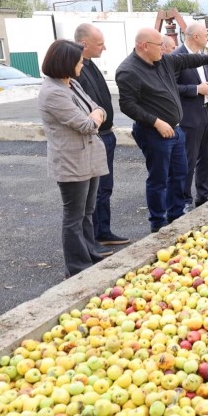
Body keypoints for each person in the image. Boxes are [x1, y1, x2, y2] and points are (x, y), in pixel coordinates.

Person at [115, 28, 208, 233]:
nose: (164, 48)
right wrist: (156, 122)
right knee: (159, 178)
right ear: (144, 46)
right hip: (154, 132)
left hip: (176, 130)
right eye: (159, 45)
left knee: (179, 174)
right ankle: (158, 223)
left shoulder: (163, 62)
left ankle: (176, 214)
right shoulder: (128, 70)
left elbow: (188, 60)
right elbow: (128, 105)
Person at [37, 39, 109, 277]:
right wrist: (95, 116)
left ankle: (90, 256)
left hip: (88, 158)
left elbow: (99, 108)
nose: (82, 65)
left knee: (88, 212)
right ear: (66, 63)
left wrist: (96, 115)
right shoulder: (53, 93)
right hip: (71, 161)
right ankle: (78, 268)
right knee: (74, 216)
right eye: (79, 62)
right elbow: (87, 124)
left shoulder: (71, 85)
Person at [74, 23, 130, 250]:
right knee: (93, 192)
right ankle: (93, 238)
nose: (104, 48)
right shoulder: (76, 69)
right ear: (83, 44)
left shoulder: (91, 65)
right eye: (100, 44)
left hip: (106, 134)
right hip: (94, 136)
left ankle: (103, 231)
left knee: (105, 188)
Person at [173, 22, 208, 212]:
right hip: (189, 118)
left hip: (206, 113)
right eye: (206, 35)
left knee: (205, 159)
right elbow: (171, 87)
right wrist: (197, 89)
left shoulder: (202, 58)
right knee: (188, 161)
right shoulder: (176, 57)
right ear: (195, 37)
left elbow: (203, 83)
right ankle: (184, 200)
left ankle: (203, 195)